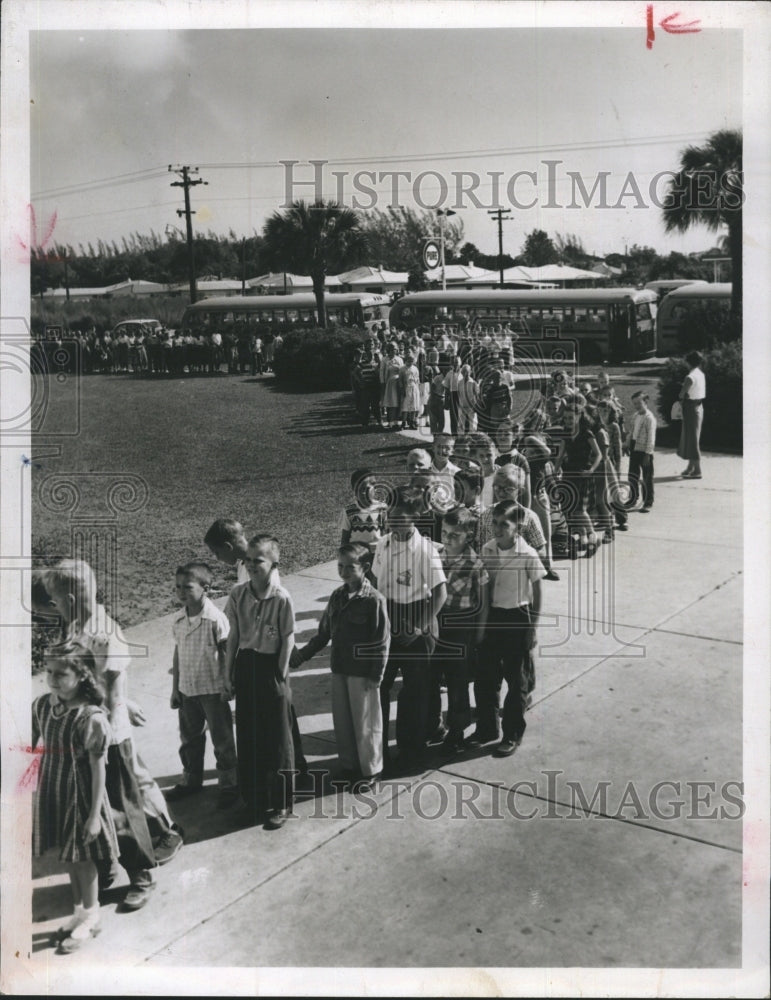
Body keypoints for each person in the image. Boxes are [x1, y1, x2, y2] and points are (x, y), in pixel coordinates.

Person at [45, 560, 181, 909]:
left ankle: (141, 874)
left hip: (107, 738)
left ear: (72, 598)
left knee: (122, 809)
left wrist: (115, 709)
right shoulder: (75, 626)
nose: (55, 607)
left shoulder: (106, 633)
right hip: (81, 733)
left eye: (56, 600)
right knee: (92, 808)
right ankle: (103, 868)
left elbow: (110, 693)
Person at [32, 641, 119, 953]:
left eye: (62, 673)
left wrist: (95, 815)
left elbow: (99, 771)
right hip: (53, 792)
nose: (53, 679)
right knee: (67, 857)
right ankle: (79, 912)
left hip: (80, 798)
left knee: (83, 860)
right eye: (49, 671)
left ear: (82, 674)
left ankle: (92, 915)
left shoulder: (91, 718)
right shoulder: (43, 705)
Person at [291, 544, 390, 791]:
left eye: (350, 567)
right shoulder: (336, 597)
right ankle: (349, 767)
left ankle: (371, 770)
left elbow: (381, 642)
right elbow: (323, 633)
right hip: (340, 669)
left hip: (363, 673)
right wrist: (301, 656)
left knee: (366, 724)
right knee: (343, 722)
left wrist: (376, 675)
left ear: (365, 568)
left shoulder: (374, 600)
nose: (344, 572)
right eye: (340, 566)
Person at [224, 534, 297, 829]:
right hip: (246, 665)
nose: (252, 565)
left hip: (270, 667)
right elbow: (233, 637)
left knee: (278, 739)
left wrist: (280, 673)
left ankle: (282, 803)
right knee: (249, 735)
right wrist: (227, 674)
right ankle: (253, 800)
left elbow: (288, 636)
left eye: (259, 561)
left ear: (274, 563)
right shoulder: (238, 594)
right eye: (248, 560)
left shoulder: (281, 598)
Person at [371, 487, 447, 767]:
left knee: (415, 691)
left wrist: (418, 627)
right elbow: (375, 580)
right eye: (391, 516)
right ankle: (377, 752)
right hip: (388, 619)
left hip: (418, 618)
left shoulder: (424, 550)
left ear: (415, 517)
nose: (395, 521)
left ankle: (411, 749)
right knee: (379, 685)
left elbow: (440, 594)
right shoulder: (383, 545)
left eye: (402, 517)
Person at [473, 501, 544, 756]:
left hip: (517, 617)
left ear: (518, 527)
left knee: (516, 681)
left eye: (505, 523)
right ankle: (486, 728)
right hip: (493, 617)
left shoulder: (527, 554)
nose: (498, 528)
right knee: (485, 678)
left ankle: (512, 733)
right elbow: (483, 587)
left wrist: (532, 628)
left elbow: (537, 592)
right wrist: (480, 627)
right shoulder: (487, 549)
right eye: (495, 522)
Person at [166, 563, 238, 809]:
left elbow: (228, 652)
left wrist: (228, 683)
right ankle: (191, 779)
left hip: (212, 691)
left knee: (223, 740)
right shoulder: (178, 620)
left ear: (206, 588)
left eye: (187, 587)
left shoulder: (215, 619)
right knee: (190, 739)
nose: (181, 592)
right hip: (187, 691)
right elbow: (177, 655)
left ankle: (229, 783)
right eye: (177, 587)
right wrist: (175, 688)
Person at [428, 507, 489, 754]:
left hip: (461, 626)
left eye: (455, 534)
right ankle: (433, 725)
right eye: (444, 532)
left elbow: (483, 602)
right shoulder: (435, 556)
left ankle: (457, 729)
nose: (447, 538)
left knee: (457, 680)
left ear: (469, 535)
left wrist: (480, 631)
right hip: (436, 622)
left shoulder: (475, 563)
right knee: (431, 676)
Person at [555, 397, 603, 558]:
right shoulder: (565, 432)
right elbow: (560, 454)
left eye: (571, 417)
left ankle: (593, 537)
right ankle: (584, 540)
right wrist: (556, 471)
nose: (568, 420)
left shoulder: (586, 433)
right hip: (568, 474)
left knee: (581, 510)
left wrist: (591, 470)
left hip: (583, 474)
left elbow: (598, 454)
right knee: (572, 511)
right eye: (566, 418)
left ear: (579, 416)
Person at [338, 469, 388, 555]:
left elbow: (386, 533)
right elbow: (345, 538)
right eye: (361, 489)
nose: (365, 493)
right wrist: (343, 556)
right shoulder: (349, 511)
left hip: (377, 553)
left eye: (369, 488)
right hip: (357, 555)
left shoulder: (382, 508)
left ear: (375, 488)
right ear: (354, 490)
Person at [626, 391, 657, 513]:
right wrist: (627, 444)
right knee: (632, 475)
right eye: (635, 404)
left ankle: (648, 502)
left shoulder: (650, 418)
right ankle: (633, 498)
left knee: (647, 477)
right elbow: (631, 432)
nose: (637, 406)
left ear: (646, 402)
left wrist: (648, 454)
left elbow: (651, 438)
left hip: (645, 450)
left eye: (639, 403)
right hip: (634, 447)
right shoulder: (635, 416)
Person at [678, 350, 706, 479]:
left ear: (689, 362)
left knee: (692, 440)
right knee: (692, 438)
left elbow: (681, 393)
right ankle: (690, 467)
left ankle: (698, 470)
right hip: (699, 406)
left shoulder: (690, 377)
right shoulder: (700, 374)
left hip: (690, 407)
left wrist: (682, 393)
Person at [399, 350, 422, 430]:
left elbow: (417, 379)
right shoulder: (402, 369)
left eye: (412, 361)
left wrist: (418, 389)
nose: (410, 363)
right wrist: (402, 390)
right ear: (406, 360)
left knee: (414, 406)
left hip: (414, 387)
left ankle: (412, 422)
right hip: (406, 387)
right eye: (409, 361)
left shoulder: (415, 369)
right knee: (405, 406)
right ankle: (403, 422)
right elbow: (400, 380)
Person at [443, 355, 463, 435]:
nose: (455, 364)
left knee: (461, 415)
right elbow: (446, 388)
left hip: (461, 395)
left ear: (460, 364)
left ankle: (461, 434)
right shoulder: (449, 373)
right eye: (454, 363)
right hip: (452, 395)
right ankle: (454, 433)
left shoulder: (463, 373)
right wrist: (446, 401)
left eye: (457, 363)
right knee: (453, 415)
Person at [457, 363, 479, 434]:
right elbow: (459, 395)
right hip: (462, 406)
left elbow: (477, 395)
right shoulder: (460, 383)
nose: (466, 374)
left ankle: (471, 442)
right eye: (464, 372)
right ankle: (460, 441)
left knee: (472, 426)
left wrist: (475, 406)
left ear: (470, 372)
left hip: (471, 407)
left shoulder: (473, 383)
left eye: (467, 372)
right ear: (462, 373)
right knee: (461, 426)